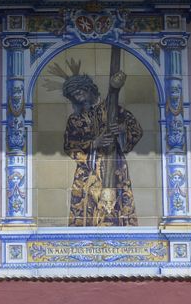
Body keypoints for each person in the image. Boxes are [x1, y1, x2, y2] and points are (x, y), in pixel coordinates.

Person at [61, 64, 142, 226]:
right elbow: (70, 146)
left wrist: (122, 130)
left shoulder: (113, 109)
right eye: (74, 96)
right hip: (88, 173)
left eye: (80, 92)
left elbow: (135, 130)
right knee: (87, 210)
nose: (78, 98)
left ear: (89, 89)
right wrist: (93, 144)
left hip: (115, 167)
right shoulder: (75, 120)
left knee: (118, 207)